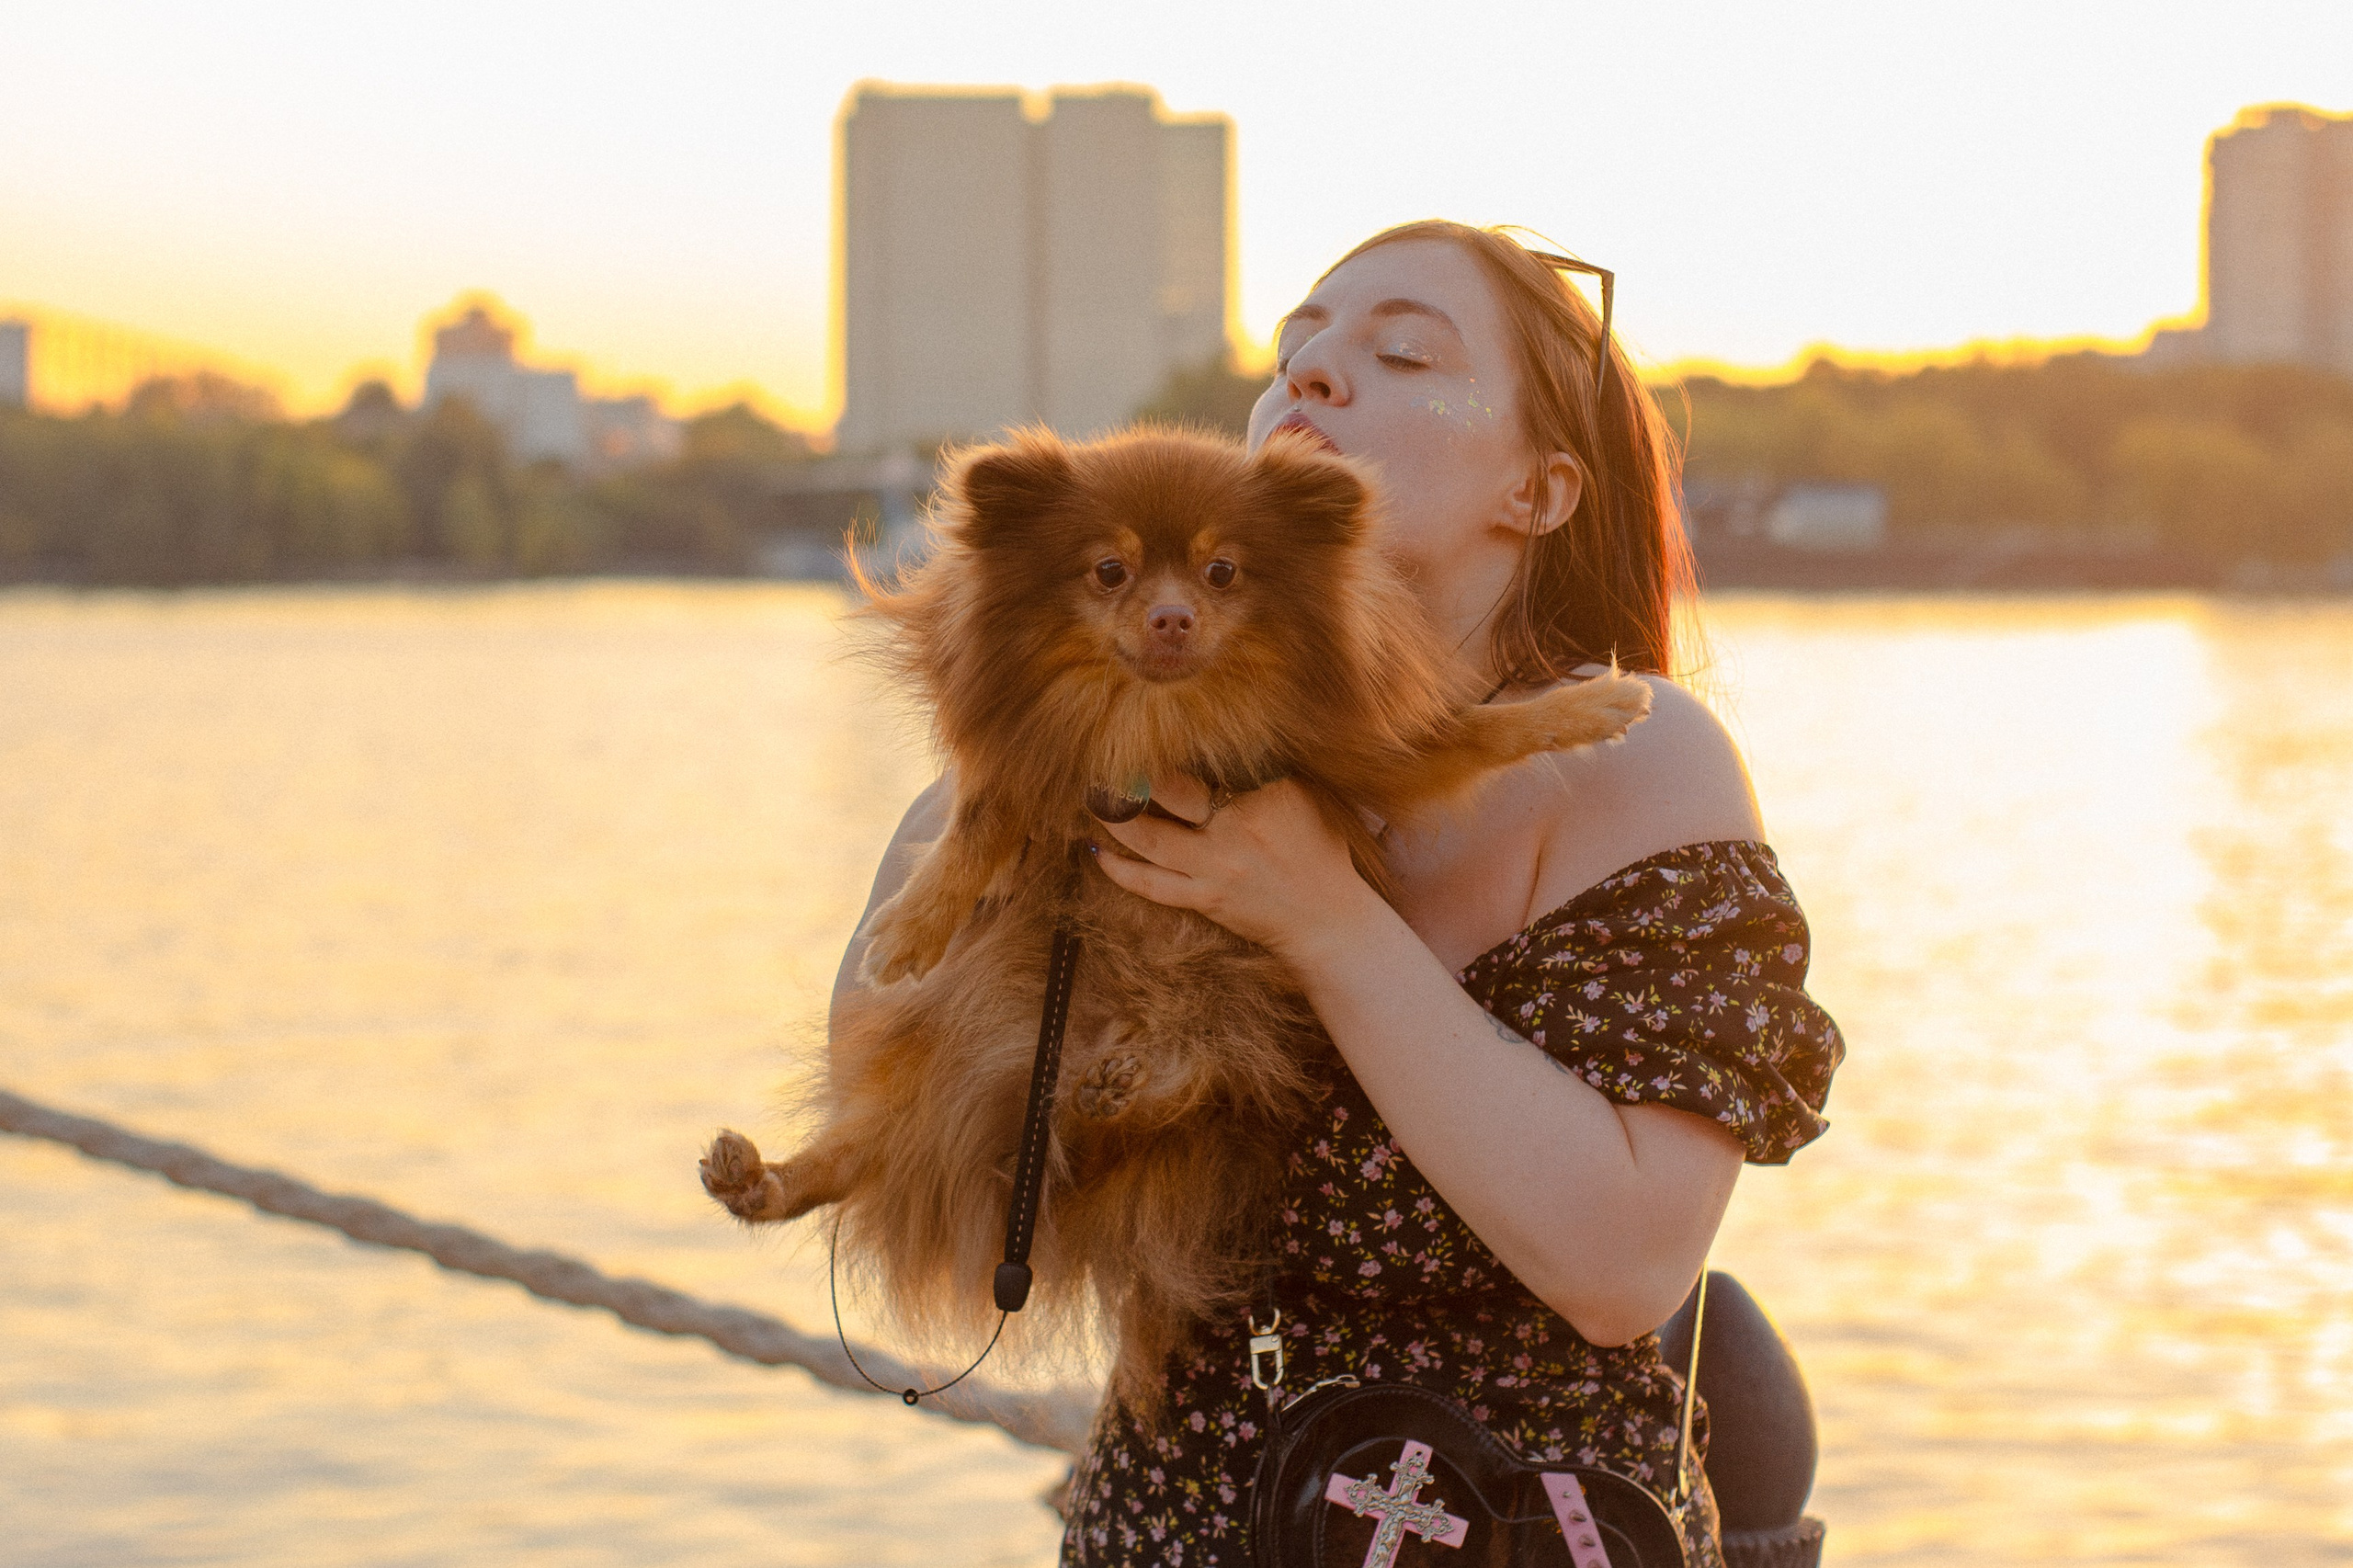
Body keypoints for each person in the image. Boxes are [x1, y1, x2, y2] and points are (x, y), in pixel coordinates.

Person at [837, 221, 1845, 1566]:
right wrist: (1000, 773)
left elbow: (1621, 1267)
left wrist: (1320, 914)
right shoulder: (1153, 740)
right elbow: (885, 1112)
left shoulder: (1632, 754)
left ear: (1540, 492)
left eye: (1400, 351)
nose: (1307, 378)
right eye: (1292, 351)